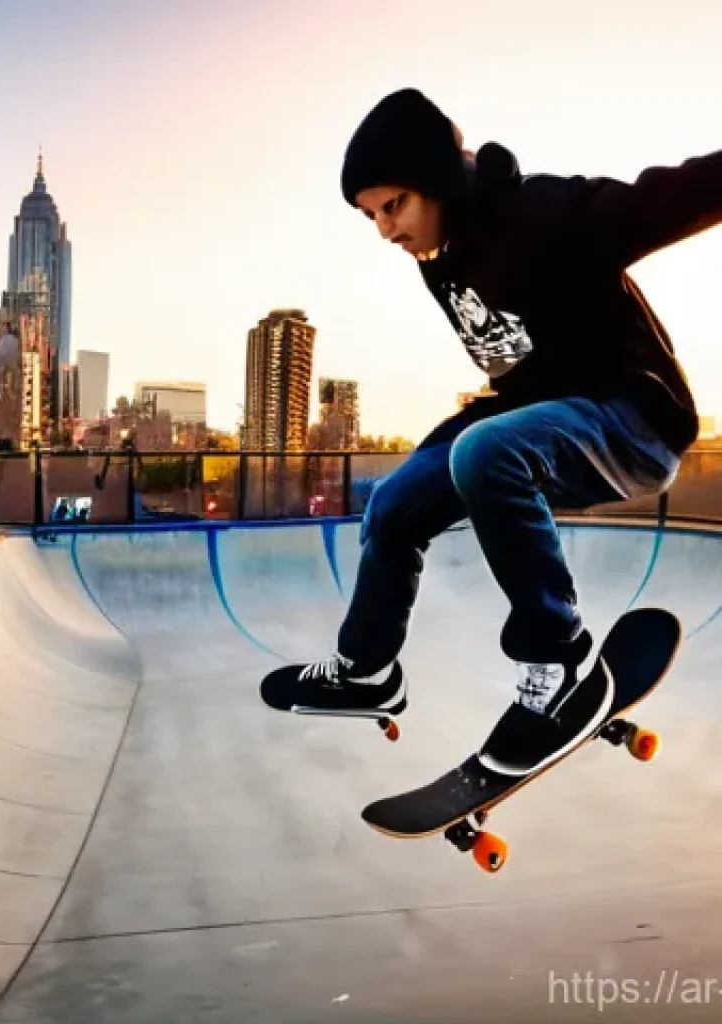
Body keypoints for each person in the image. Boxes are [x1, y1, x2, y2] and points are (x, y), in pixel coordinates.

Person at [261, 87, 719, 777]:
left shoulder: (546, 213)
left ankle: (559, 663)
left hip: (634, 421)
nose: (386, 231)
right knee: (394, 504)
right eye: (371, 216)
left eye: (394, 206)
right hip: (539, 414)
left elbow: (671, 195)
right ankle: (367, 670)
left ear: (437, 181)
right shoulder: (438, 260)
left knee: (485, 452)